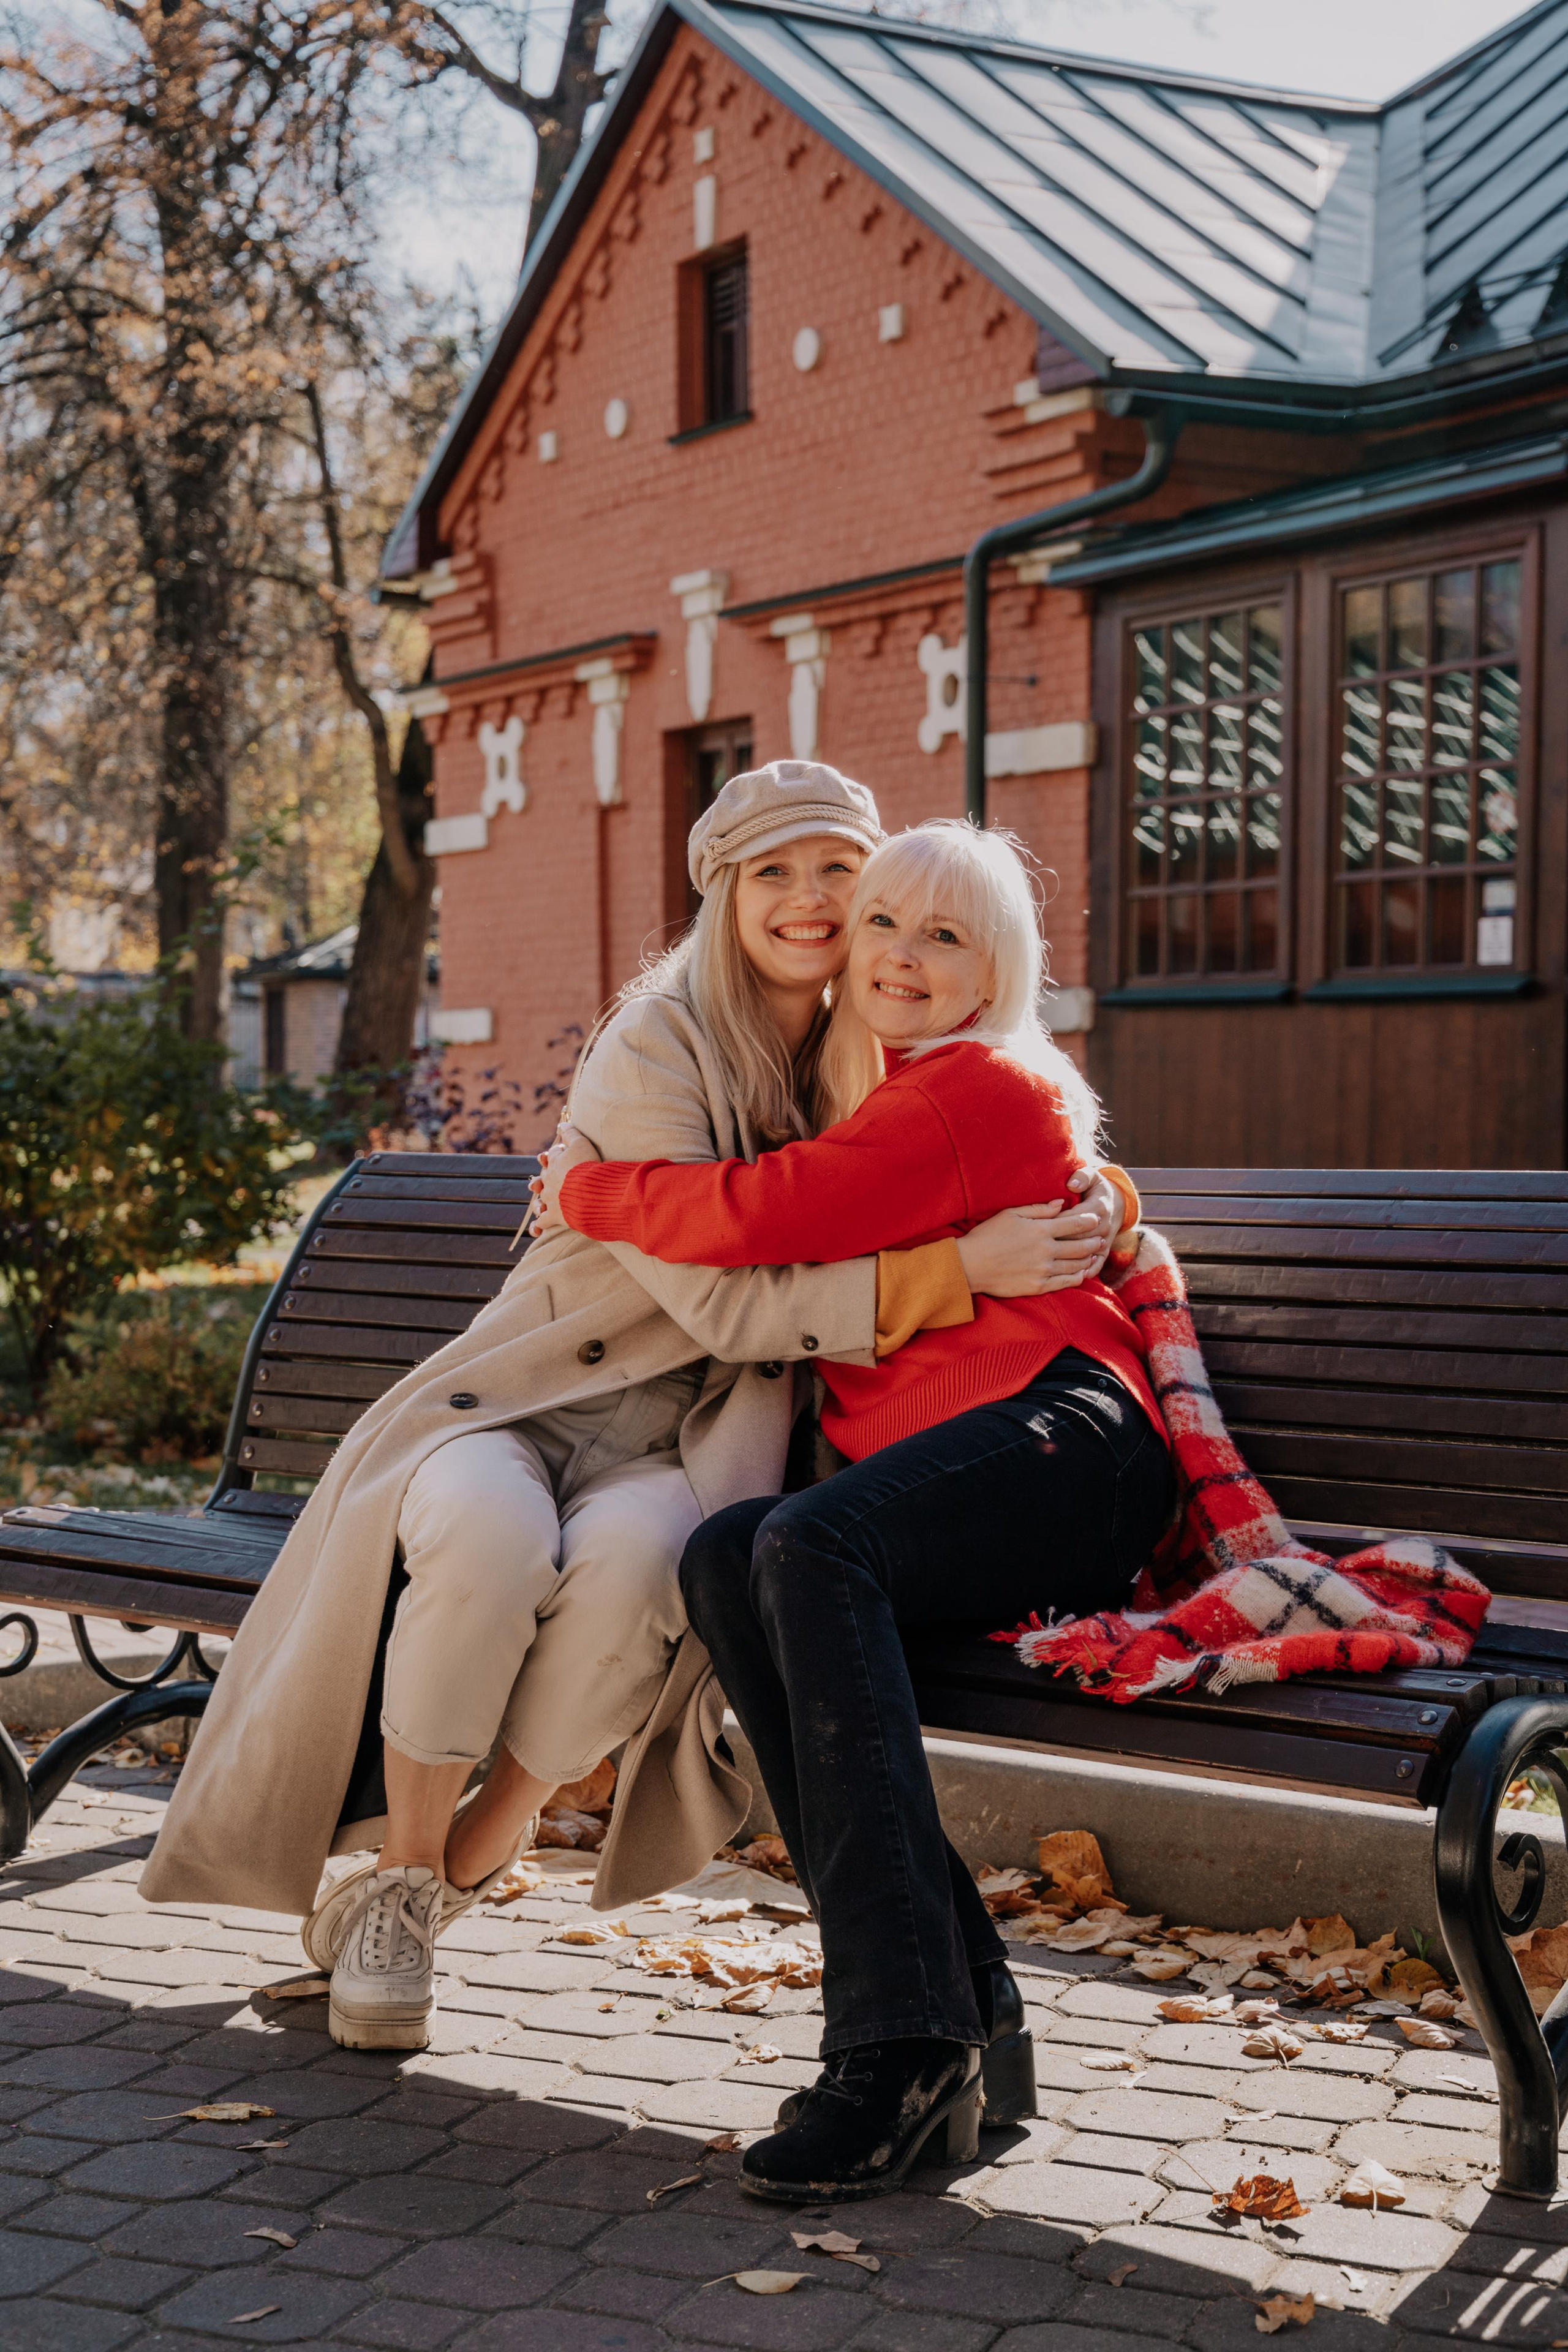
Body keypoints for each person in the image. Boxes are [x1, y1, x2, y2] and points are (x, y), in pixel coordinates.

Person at [142, 764, 1125, 2057]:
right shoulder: (658, 1035)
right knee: (488, 1539)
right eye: (773, 873)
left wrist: (1100, 1198)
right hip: (542, 1396)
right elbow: (723, 1299)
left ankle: (461, 1866)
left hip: (701, 1430)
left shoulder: (873, 1035)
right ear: (723, 892)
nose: (812, 899)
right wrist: (954, 1272)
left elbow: (995, 1123)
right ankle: (402, 1882)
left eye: (840, 871)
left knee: (640, 1567)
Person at [539, 819, 1175, 2201]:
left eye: (944, 936)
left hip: (1069, 1445)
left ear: (994, 971)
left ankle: (897, 2043)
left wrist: (588, 1190)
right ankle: (966, 1993)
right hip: (973, 1475)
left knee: (804, 1540)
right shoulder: (886, 1087)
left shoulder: (973, 1082)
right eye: (883, 922)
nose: (900, 955)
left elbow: (776, 1211)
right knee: (731, 1554)